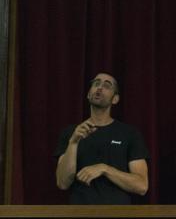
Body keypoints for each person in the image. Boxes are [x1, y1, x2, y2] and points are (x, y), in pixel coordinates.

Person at [54, 72, 149, 204]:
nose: (99, 88)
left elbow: (141, 186)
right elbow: (63, 183)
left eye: (106, 85)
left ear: (115, 99)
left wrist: (105, 169)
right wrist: (73, 142)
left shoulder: (129, 134)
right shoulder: (71, 133)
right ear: (88, 94)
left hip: (117, 214)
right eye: (96, 84)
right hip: (79, 213)